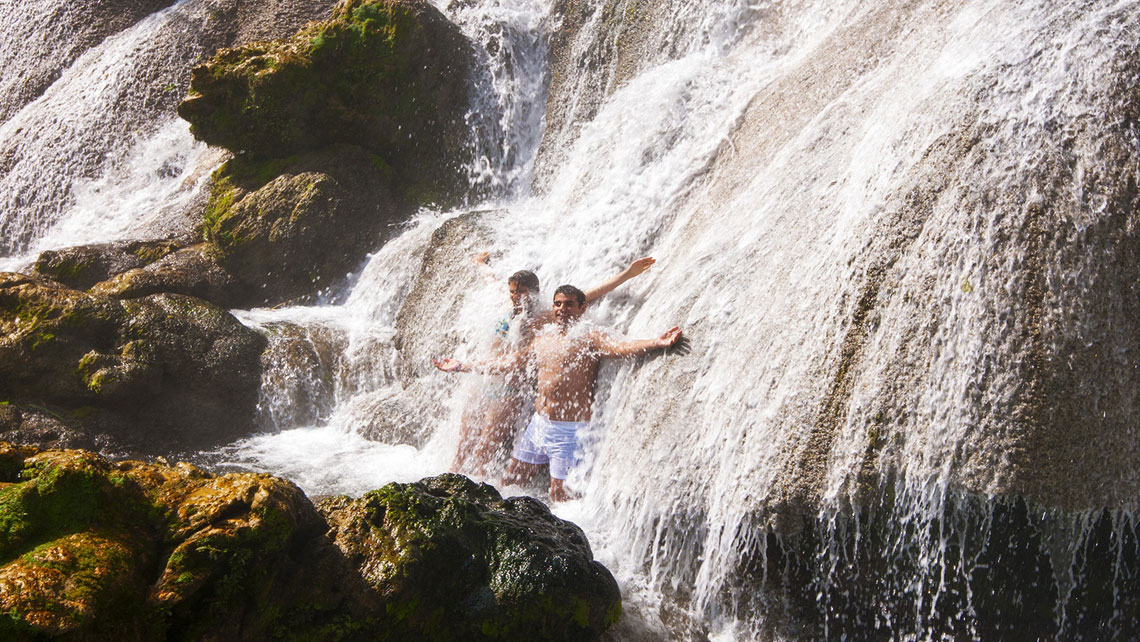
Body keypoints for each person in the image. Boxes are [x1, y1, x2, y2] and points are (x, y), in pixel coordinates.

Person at [440, 284, 682, 501]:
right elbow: (509, 363)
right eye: (557, 304)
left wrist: (655, 343)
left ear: (582, 308)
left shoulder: (590, 337)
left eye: (569, 304)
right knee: (509, 484)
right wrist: (462, 366)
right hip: (538, 426)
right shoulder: (543, 338)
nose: (562, 309)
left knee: (561, 497)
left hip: (569, 432)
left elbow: (623, 348)